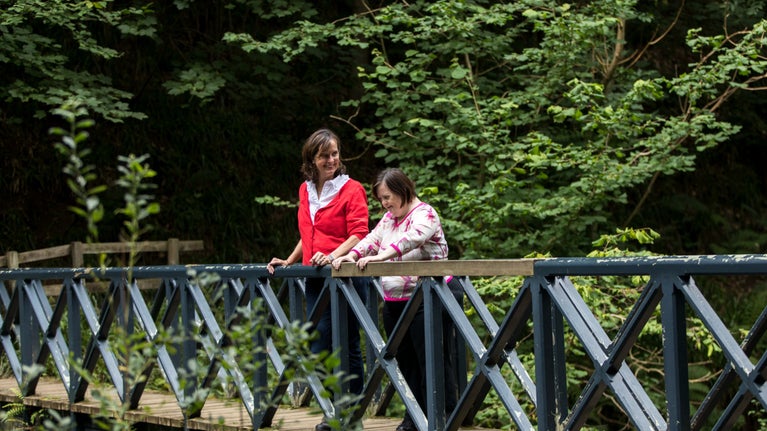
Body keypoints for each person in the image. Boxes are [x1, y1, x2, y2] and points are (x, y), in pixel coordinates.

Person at [331, 168, 463, 431]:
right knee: (405, 360)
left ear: (404, 190)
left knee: (431, 357)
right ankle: (414, 416)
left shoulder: (425, 213)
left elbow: (412, 239)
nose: (385, 203)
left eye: (388, 197)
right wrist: (352, 255)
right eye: (381, 199)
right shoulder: (389, 218)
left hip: (430, 296)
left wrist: (381, 258)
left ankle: (441, 416)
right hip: (395, 300)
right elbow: (371, 239)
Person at [267, 128, 370, 431]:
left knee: (347, 342)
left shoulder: (352, 189)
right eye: (324, 155)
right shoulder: (305, 190)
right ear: (311, 159)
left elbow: (359, 233)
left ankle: (348, 413)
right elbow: (308, 233)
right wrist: (289, 260)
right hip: (315, 279)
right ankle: (332, 408)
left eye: (335, 153)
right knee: (319, 342)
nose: (331, 160)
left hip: (344, 276)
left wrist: (332, 255)